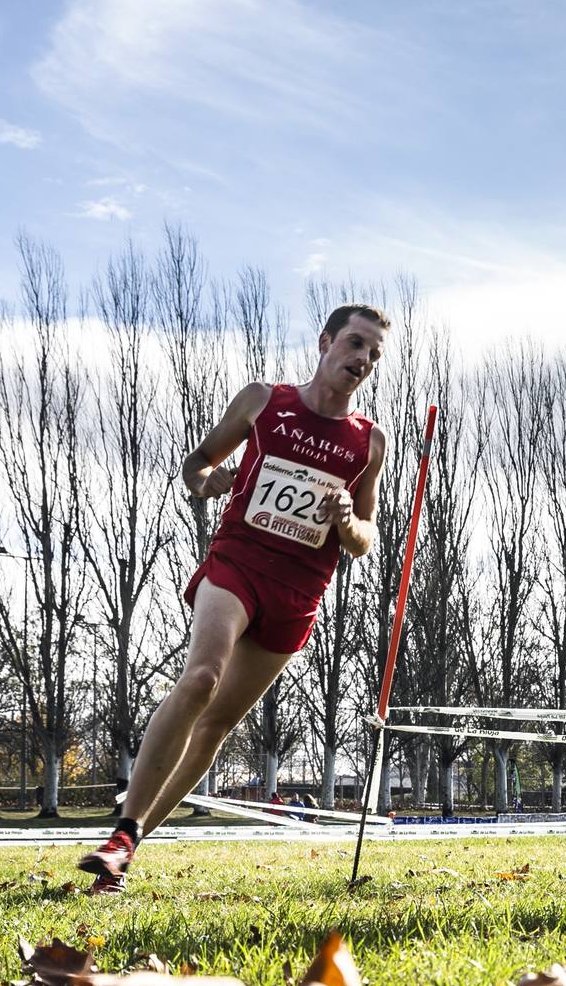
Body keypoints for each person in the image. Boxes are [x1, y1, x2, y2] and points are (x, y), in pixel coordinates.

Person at [78, 305, 391, 893]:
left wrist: (348, 518)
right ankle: (119, 831)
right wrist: (208, 481)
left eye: (375, 354)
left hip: (298, 589)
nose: (363, 359)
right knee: (201, 679)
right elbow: (196, 464)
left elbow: (364, 541)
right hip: (238, 564)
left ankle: (130, 843)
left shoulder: (368, 441)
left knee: (219, 722)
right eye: (355, 343)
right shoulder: (263, 401)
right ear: (325, 342)